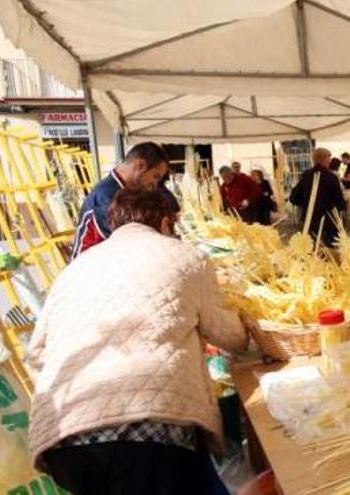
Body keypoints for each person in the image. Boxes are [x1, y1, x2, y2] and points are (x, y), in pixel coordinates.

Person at [27, 189, 248, 495]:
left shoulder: (75, 268)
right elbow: (227, 334)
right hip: (145, 433)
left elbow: (36, 354)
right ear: (164, 221)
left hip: (64, 440)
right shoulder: (188, 256)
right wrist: (249, 323)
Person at [71, 142, 169, 258]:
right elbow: (132, 238)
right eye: (155, 176)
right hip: (88, 269)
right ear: (141, 165)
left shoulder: (122, 191)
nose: (155, 184)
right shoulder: (107, 195)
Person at [290, 148, 346, 246]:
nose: (330, 160)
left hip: (310, 220)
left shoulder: (306, 175)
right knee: (329, 252)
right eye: (329, 157)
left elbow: (294, 198)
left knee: (311, 250)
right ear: (322, 158)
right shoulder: (331, 177)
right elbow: (339, 201)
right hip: (328, 222)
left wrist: (305, 204)